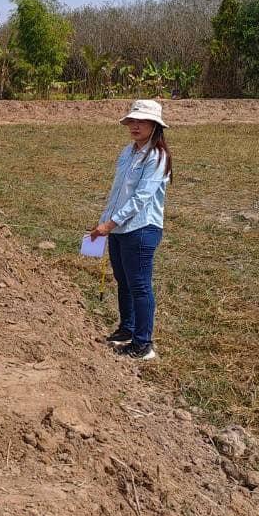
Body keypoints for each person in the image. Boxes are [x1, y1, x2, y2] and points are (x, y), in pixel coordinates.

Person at [89, 99, 173, 361]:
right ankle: (127, 329)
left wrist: (109, 224)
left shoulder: (157, 157)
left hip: (140, 229)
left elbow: (140, 199)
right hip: (117, 228)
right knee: (123, 281)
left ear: (155, 126)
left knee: (139, 285)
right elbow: (117, 192)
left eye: (142, 121)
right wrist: (103, 222)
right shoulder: (128, 152)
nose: (135, 126)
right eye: (132, 121)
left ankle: (143, 343)